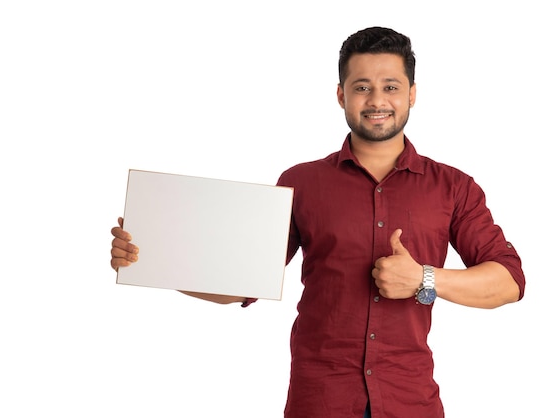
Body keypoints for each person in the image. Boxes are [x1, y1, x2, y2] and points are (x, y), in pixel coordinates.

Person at [110, 26, 525, 418]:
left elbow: (508, 281)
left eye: (391, 87)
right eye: (362, 87)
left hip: (410, 401)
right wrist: (152, 256)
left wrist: (424, 279)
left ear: (413, 94)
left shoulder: (453, 187)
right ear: (341, 94)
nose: (377, 100)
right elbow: (243, 281)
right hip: (320, 400)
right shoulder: (300, 182)